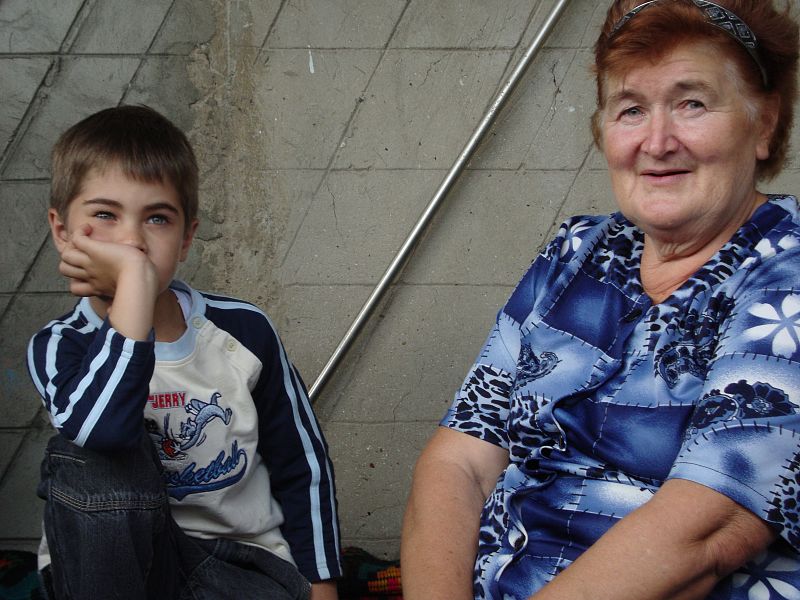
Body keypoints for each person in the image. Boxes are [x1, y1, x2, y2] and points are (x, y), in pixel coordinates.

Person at [401, 1, 800, 598]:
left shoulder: (783, 271)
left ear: (764, 124)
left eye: (692, 103)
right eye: (631, 109)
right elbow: (459, 460)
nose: (657, 141)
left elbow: (708, 530)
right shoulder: (577, 250)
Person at [27, 105, 342, 599]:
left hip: (230, 567)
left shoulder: (242, 331)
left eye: (157, 218)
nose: (131, 241)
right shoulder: (60, 345)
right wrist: (134, 283)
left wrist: (321, 585)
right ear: (62, 230)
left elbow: (302, 463)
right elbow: (103, 433)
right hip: (105, 575)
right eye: (105, 215)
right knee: (91, 461)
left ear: (187, 237)